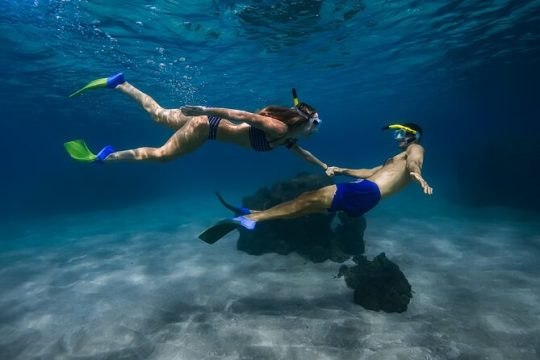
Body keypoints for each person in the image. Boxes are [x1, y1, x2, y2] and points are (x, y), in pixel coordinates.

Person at [199, 123, 433, 244]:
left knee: (306, 199)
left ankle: (251, 219)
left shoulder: (415, 148)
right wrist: (341, 169)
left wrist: (418, 176)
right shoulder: (396, 159)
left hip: (367, 191)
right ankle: (259, 214)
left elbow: (415, 163)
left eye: (400, 134)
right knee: (306, 206)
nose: (398, 139)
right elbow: (371, 171)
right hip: (367, 193)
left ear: (413, 135)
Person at [63, 73, 329, 170]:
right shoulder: (279, 127)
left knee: (157, 115)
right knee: (162, 156)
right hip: (204, 127)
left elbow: (302, 154)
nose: (316, 131)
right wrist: (203, 108)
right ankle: (105, 157)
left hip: (205, 122)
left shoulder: (288, 137)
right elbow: (243, 116)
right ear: (305, 121)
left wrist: (325, 166)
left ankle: (120, 84)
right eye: (316, 125)